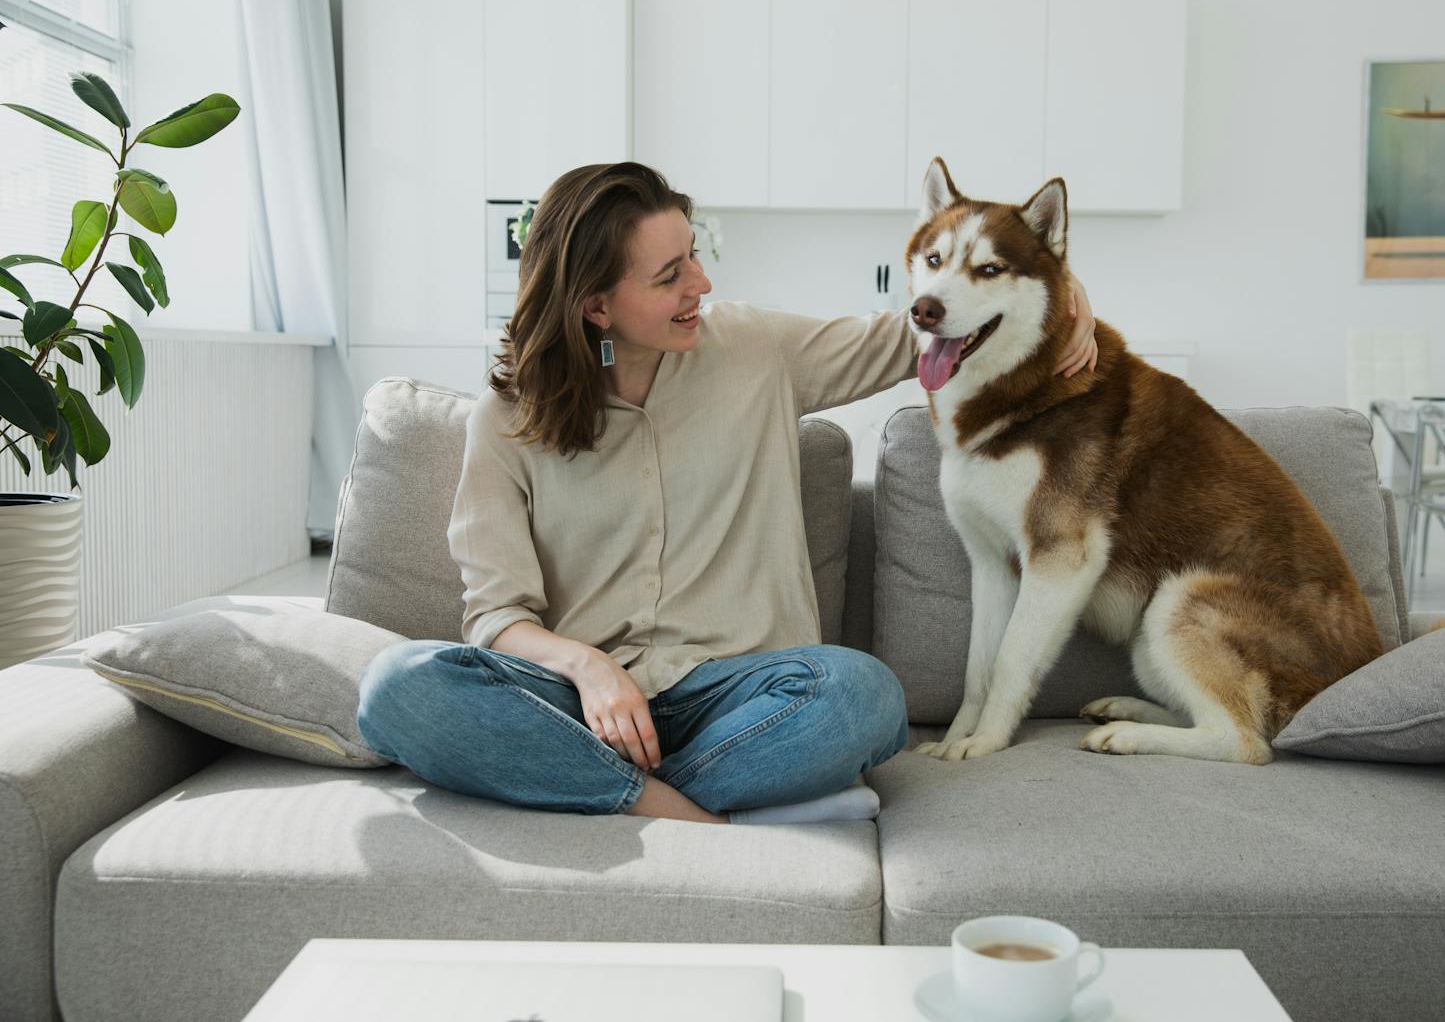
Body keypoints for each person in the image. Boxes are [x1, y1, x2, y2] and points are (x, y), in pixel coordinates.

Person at [356, 162, 1098, 825]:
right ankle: (687, 806)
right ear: (595, 306)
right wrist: (592, 668)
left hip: (744, 696)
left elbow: (932, 327)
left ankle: (607, 793)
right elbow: (495, 616)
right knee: (397, 686)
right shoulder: (508, 418)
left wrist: (1069, 296)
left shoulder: (756, 349)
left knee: (861, 696)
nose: (700, 285)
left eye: (694, 257)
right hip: (578, 706)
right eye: (670, 274)